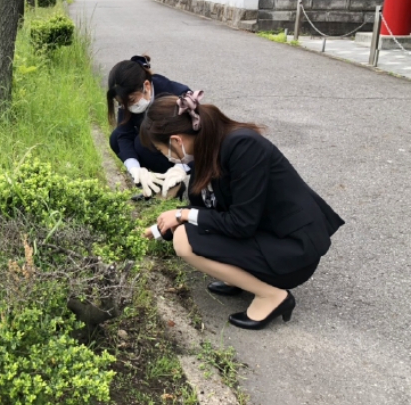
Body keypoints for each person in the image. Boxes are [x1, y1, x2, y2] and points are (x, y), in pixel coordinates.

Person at [141, 92, 344, 330]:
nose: (168, 158)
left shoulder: (243, 146)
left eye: (162, 150)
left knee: (185, 241)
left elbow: (241, 223)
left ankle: (272, 296)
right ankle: (242, 279)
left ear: (176, 140)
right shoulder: (207, 149)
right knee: (185, 228)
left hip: (293, 249)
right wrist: (162, 227)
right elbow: (205, 209)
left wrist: (181, 215)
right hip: (264, 233)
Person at [107, 55, 191, 198]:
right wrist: (135, 169)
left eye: (131, 100)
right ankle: (153, 184)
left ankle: (174, 182)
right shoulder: (127, 98)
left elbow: (198, 137)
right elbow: (123, 134)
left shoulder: (177, 96)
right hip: (160, 147)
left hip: (186, 152)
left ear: (146, 86)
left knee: (142, 142)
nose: (128, 107)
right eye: (122, 103)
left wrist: (181, 168)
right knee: (115, 137)